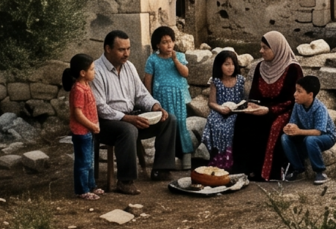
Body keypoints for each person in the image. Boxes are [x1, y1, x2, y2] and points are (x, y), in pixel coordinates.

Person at [93, 29, 182, 195]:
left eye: (128, 49)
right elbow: (100, 108)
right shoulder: (96, 71)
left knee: (169, 119)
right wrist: (128, 119)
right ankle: (125, 181)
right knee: (129, 129)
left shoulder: (129, 67)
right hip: (106, 123)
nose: (126, 54)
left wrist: (155, 106)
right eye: (121, 49)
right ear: (107, 49)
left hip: (131, 115)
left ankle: (161, 169)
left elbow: (141, 94)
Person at [229, 31, 303, 181]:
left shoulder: (293, 69)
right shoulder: (260, 67)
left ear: (276, 48)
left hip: (284, 110)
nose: (261, 51)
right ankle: (243, 169)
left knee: (272, 125)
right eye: (261, 47)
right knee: (243, 121)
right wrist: (251, 106)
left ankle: (264, 172)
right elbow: (255, 95)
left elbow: (293, 100)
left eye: (265, 48)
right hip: (261, 109)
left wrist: (269, 110)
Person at [142, 26, 196, 162]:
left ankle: (186, 154)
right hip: (162, 98)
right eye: (164, 42)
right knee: (166, 126)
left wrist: (175, 60)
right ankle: (168, 158)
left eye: (170, 41)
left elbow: (185, 73)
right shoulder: (152, 59)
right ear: (157, 45)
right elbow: (147, 80)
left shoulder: (180, 56)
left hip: (178, 97)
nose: (169, 45)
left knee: (181, 124)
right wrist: (149, 99)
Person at [279, 75, 336, 184]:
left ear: (310, 94)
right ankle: (298, 168)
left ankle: (320, 172)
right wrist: (288, 128)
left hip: (327, 136)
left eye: (299, 91)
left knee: (310, 140)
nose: (295, 94)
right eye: (295, 90)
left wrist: (298, 131)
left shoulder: (320, 108)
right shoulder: (298, 105)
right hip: (306, 134)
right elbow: (293, 122)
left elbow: (318, 132)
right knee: (285, 138)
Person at [62, 54, 104, 200]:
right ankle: (82, 190)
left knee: (90, 160)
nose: (95, 72)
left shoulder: (86, 86)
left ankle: (91, 185)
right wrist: (92, 125)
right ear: (83, 72)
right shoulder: (78, 89)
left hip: (89, 131)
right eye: (92, 69)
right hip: (82, 132)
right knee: (83, 161)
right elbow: (78, 114)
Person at [203, 49, 246, 170]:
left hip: (236, 112)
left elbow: (244, 101)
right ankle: (217, 158)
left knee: (230, 126)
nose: (230, 67)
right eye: (226, 64)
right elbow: (211, 102)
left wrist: (237, 108)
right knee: (215, 123)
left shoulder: (241, 80)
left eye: (233, 64)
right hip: (220, 111)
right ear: (219, 65)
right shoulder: (216, 81)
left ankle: (229, 160)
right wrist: (220, 108)